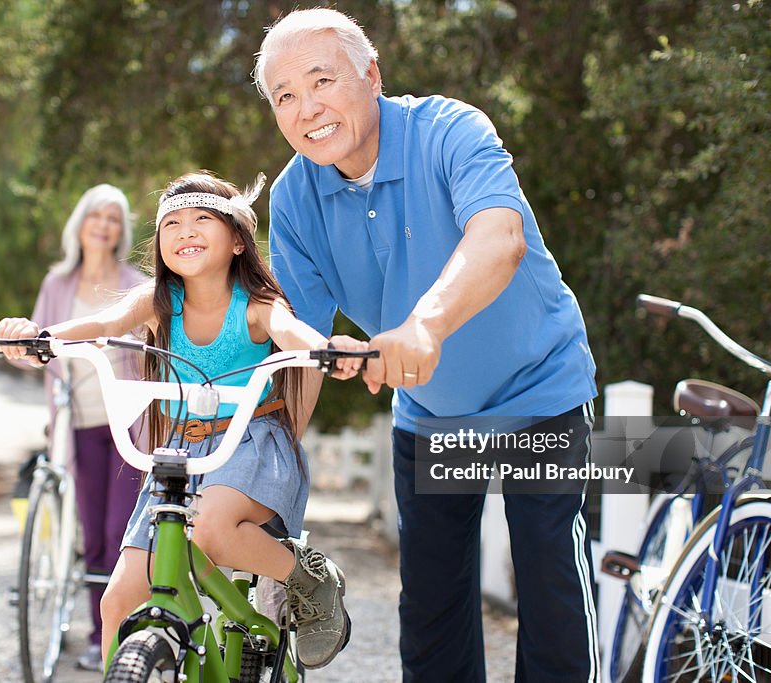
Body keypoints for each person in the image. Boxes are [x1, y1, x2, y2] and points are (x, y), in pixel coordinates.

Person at [253, 9, 600, 683]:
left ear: (371, 74)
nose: (306, 108)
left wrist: (424, 325)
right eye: (285, 96)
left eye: (322, 80)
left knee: (548, 573)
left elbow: (499, 237)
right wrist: (266, 471)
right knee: (433, 610)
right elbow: (298, 343)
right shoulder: (296, 196)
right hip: (434, 416)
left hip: (539, 395)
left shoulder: (450, 130)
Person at [0, 170, 368, 670]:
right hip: (179, 451)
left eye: (202, 219)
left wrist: (328, 351)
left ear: (238, 239)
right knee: (118, 601)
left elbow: (293, 331)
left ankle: (309, 579)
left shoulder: (257, 305)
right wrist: (40, 337)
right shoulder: (157, 302)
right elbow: (103, 326)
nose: (185, 231)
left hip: (249, 441)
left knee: (211, 531)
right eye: (171, 223)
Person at [0, 183, 148, 671]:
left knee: (119, 529)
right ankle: (96, 635)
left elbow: (156, 347)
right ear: (80, 224)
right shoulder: (57, 284)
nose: (103, 225)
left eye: (113, 218)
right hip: (75, 424)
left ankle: (119, 635)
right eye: (95, 216)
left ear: (121, 230)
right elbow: (36, 353)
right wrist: (13, 346)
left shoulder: (136, 282)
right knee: (91, 534)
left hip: (127, 422)